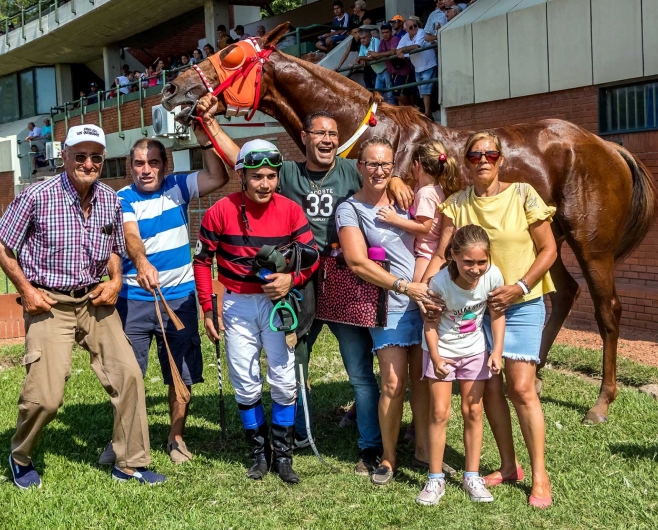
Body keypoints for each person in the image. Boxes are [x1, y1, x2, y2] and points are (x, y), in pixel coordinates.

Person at [194, 95, 413, 475]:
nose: (327, 140)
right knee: (293, 363)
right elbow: (243, 161)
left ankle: (369, 445)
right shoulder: (287, 174)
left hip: (346, 277)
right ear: (304, 137)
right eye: (319, 133)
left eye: (333, 134)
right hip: (301, 280)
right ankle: (290, 438)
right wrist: (211, 127)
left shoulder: (351, 170)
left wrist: (393, 177)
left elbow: (378, 170)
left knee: (359, 369)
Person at [0, 124, 165, 488]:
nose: (88, 163)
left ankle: (129, 462)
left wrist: (115, 280)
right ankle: (20, 455)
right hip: (48, 302)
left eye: (95, 156)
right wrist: (26, 289)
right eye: (80, 155)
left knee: (129, 375)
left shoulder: (109, 199)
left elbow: (115, 246)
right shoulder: (38, 196)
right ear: (64, 156)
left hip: (94, 299)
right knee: (47, 397)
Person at [423, 130, 557, 508]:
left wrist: (520, 285)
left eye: (491, 154)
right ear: (465, 163)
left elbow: (548, 250)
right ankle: (509, 466)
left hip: (521, 302)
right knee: (491, 391)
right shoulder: (457, 203)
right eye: (475, 155)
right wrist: (423, 290)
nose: (483, 160)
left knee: (521, 387)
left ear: (501, 159)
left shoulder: (523, 194)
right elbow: (440, 253)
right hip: (476, 310)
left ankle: (540, 474)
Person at [194, 139, 319, 484]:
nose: (264, 184)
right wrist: (208, 307)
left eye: (270, 176)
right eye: (256, 177)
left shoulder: (291, 210)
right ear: (242, 177)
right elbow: (202, 261)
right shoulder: (219, 210)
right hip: (236, 303)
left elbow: (312, 257)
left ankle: (283, 457)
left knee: (282, 379)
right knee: (246, 383)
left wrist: (289, 279)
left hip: (277, 304)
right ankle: (258, 454)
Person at [107, 118, 229, 466]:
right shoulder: (121, 198)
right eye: (139, 163)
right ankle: (122, 438)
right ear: (130, 167)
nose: (146, 170)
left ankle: (176, 438)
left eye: (154, 162)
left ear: (165, 165)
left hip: (180, 299)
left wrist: (204, 138)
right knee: (127, 375)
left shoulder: (177, 187)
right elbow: (130, 235)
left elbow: (218, 177)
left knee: (182, 374)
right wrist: (141, 262)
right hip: (135, 300)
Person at [335, 136, 448, 486]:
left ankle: (425, 452)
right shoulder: (349, 209)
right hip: (392, 305)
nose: (379, 171)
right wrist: (404, 286)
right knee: (393, 383)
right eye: (372, 164)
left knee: (424, 383)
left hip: (425, 302)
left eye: (386, 164)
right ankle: (387, 456)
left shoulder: (407, 199)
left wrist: (424, 288)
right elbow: (357, 262)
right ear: (360, 167)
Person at [416, 225, 505, 506]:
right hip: (441, 350)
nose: (475, 268)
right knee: (440, 412)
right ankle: (434, 478)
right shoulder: (439, 283)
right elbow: (429, 325)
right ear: (453, 255)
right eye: (468, 262)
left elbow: (497, 315)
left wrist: (497, 352)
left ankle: (471, 476)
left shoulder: (493, 275)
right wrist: (437, 357)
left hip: (475, 350)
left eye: (481, 261)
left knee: (473, 411)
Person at [376, 140, 458, 282]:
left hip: (427, 252)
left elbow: (425, 227)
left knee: (418, 286)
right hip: (426, 248)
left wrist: (395, 219)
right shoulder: (431, 188)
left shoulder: (425, 194)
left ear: (417, 165)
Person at [396, 17, 438, 118]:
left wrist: (403, 50)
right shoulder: (405, 37)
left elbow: (416, 46)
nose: (414, 28)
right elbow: (398, 49)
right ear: (405, 29)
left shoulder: (421, 32)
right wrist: (401, 53)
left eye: (415, 25)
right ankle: (427, 112)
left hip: (429, 64)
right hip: (418, 67)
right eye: (411, 27)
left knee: (425, 90)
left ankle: (428, 113)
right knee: (422, 91)